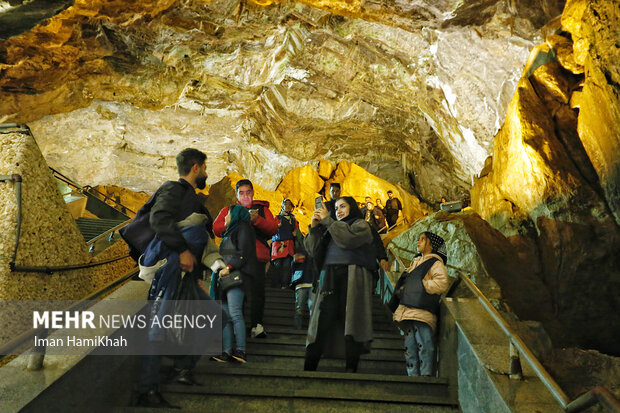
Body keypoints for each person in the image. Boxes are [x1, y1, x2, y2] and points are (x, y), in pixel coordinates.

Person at [120, 148, 227, 408]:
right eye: (205, 168)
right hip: (170, 267)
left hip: (186, 275)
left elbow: (206, 246)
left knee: (217, 316)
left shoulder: (194, 202)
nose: (206, 173)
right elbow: (158, 218)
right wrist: (182, 251)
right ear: (195, 167)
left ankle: (181, 368)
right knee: (158, 326)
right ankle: (147, 390)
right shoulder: (173, 190)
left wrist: (217, 266)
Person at [303, 196, 375, 373]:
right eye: (336, 208)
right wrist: (314, 228)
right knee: (322, 321)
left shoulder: (361, 225)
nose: (339, 211)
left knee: (352, 322)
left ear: (352, 208)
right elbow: (313, 250)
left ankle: (351, 368)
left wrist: (329, 221)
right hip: (330, 277)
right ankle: (309, 368)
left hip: (352, 278)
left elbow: (348, 240)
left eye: (343, 206)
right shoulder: (330, 229)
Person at [213, 179, 279, 338]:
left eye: (248, 192)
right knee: (234, 289)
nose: (245, 196)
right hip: (234, 256)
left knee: (256, 291)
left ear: (253, 192)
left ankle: (256, 325)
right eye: (241, 192)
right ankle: (237, 326)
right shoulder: (229, 210)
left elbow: (273, 229)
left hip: (255, 256)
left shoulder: (262, 210)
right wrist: (228, 223)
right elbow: (216, 228)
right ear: (236, 194)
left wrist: (257, 220)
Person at [388, 232, 450, 376]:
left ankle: (426, 375)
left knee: (424, 343)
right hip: (408, 311)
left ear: (431, 244)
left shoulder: (435, 263)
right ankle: (413, 376)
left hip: (423, 312)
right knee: (410, 346)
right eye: (418, 238)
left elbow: (442, 283)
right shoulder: (415, 263)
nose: (418, 241)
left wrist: (421, 286)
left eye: (423, 239)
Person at [210, 205, 261, 363]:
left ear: (237, 215)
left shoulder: (243, 229)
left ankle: (241, 351)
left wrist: (229, 267)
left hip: (236, 277)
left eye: (228, 215)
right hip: (226, 279)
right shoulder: (230, 231)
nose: (225, 218)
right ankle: (226, 352)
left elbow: (243, 252)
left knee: (235, 313)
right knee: (226, 316)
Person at [271, 199, 300, 288]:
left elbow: (297, 230)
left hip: (289, 244)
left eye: (289, 205)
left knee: (287, 265)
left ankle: (285, 284)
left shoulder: (293, 220)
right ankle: (275, 284)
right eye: (285, 204)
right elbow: (271, 228)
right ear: (282, 206)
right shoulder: (277, 218)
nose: (287, 206)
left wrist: (296, 233)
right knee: (278, 264)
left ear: (291, 207)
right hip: (278, 244)